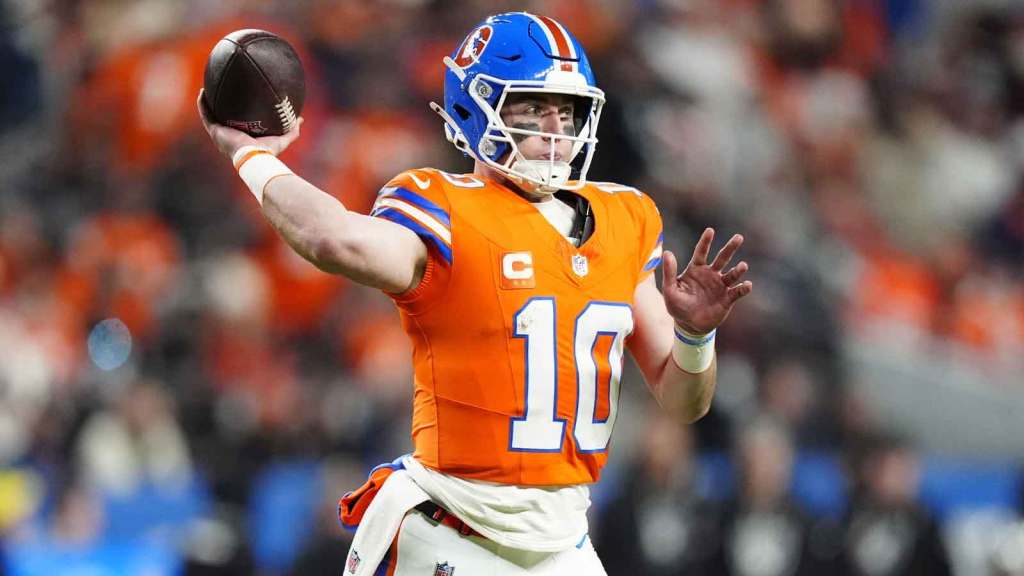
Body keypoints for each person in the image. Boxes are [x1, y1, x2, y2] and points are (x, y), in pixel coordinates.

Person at [198, 11, 752, 574]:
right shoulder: (444, 205)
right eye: (534, 107)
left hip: (564, 545)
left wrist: (696, 334)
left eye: (567, 110)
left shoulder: (625, 219)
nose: (556, 128)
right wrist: (252, 155)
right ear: (476, 104)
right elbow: (332, 238)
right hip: (450, 532)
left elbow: (686, 401)